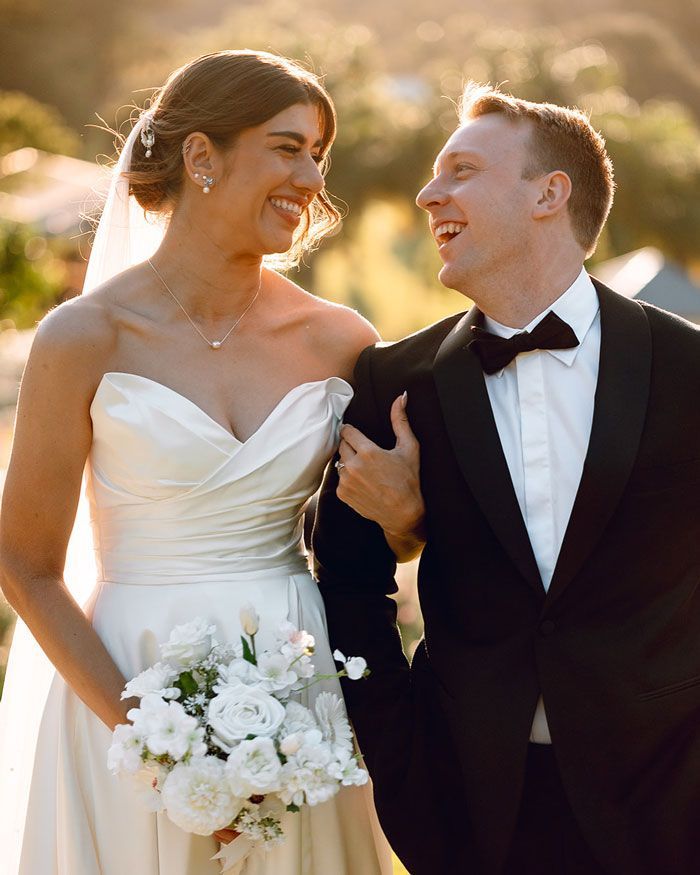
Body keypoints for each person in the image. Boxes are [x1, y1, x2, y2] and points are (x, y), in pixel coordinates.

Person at [0, 50, 393, 875]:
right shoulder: (84, 337)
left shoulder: (342, 341)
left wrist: (409, 508)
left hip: (297, 691)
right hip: (124, 687)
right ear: (201, 156)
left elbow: (395, 531)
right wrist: (150, 740)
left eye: (320, 152)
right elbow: (25, 562)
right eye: (288, 147)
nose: (312, 175)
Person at [313, 82, 700, 875]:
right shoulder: (393, 380)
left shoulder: (692, 368)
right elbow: (348, 582)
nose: (429, 194)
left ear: (549, 195)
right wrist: (398, 745)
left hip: (671, 802)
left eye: (460, 170)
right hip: (469, 805)